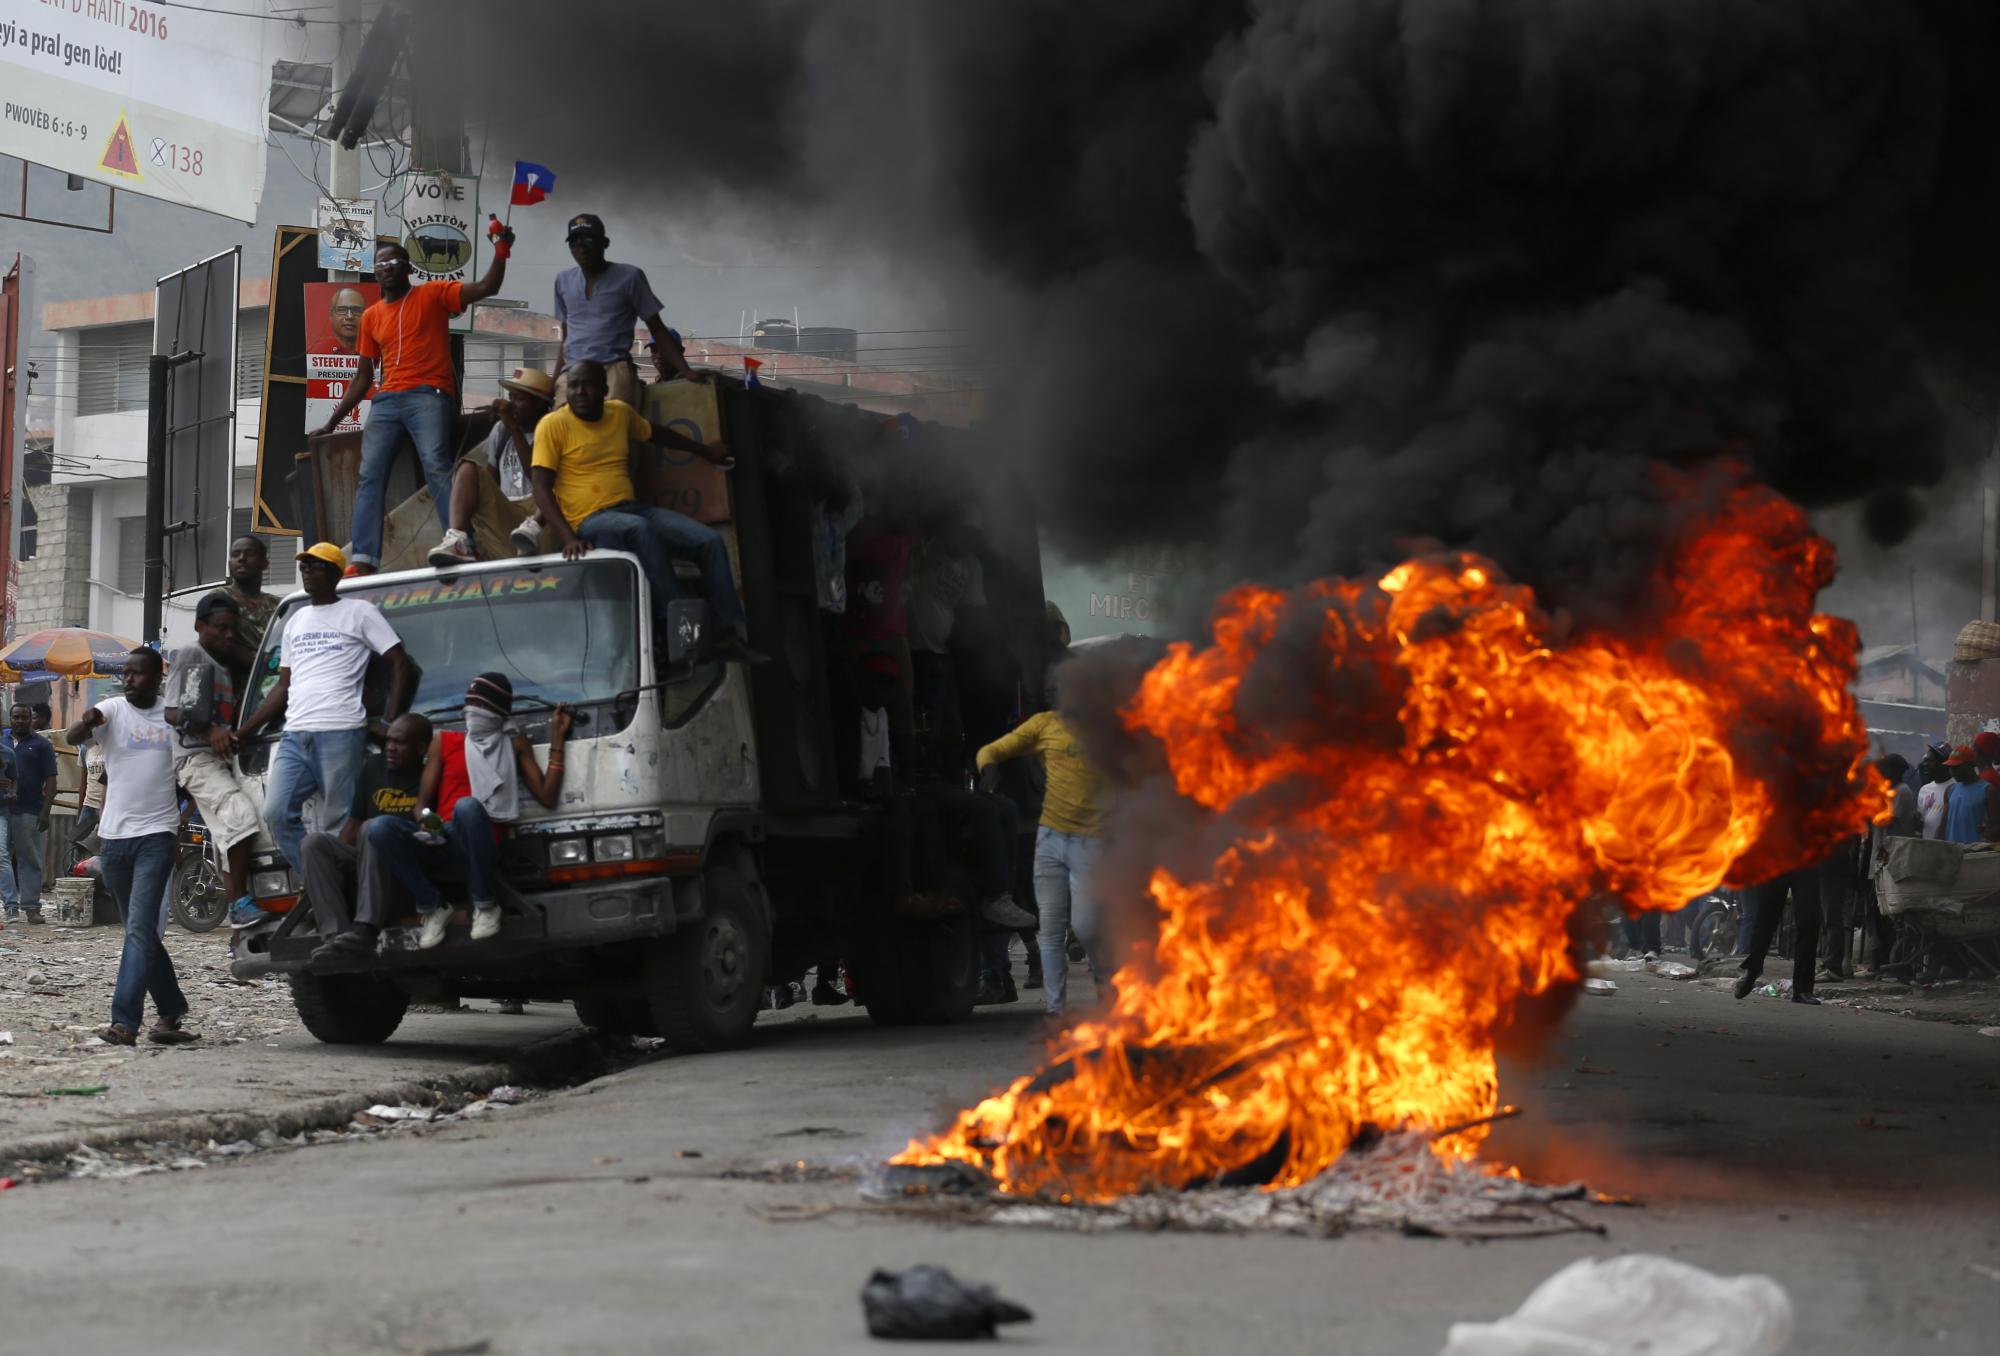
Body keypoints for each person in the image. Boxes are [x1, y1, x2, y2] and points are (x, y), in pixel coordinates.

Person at [529, 358, 764, 663]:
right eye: (573, 386)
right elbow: (540, 489)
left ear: (604, 390)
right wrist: (568, 536)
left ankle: (726, 634)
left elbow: (658, 434)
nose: (579, 392)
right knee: (640, 530)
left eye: (587, 385)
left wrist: (706, 451)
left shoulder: (620, 413)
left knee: (709, 541)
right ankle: (679, 629)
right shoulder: (553, 425)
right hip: (590, 521)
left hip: (632, 510)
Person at [310, 232, 515, 576]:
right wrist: (332, 423)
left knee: (435, 463)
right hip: (387, 400)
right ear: (374, 274)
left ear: (408, 269)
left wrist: (501, 251)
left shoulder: (433, 294)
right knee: (369, 475)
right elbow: (363, 378)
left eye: (394, 263)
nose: (387, 269)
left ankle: (460, 540)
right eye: (381, 265)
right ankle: (363, 559)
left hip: (429, 394)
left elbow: (486, 288)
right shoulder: (371, 317)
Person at [356, 674, 571, 952]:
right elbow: (421, 804)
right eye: (469, 705)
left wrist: (557, 739)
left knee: (467, 806)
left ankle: (485, 905)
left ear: (498, 714)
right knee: (378, 828)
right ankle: (433, 907)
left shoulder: (514, 743)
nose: (472, 713)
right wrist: (427, 822)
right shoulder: (444, 741)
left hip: (480, 840)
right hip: (443, 837)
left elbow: (548, 797)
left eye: (480, 707)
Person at [241, 542, 414, 873]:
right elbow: (282, 686)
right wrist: (245, 730)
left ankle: (340, 893)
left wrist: (392, 721)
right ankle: (323, 885)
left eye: (315, 566)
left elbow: (400, 662)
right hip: (295, 734)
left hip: (341, 730)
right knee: (276, 813)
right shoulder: (296, 620)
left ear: (335, 573)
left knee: (339, 821)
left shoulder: (359, 612)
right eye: (304, 566)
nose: (307, 571)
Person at [68, 648, 197, 1046]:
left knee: (139, 930)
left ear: (157, 677)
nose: (128, 679)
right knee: (138, 930)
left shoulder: (171, 719)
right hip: (115, 841)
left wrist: (180, 827)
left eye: (136, 674)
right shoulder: (111, 709)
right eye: (124, 673)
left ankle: (124, 1022)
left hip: (156, 836)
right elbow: (74, 737)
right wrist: (85, 721)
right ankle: (172, 1007)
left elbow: (188, 779)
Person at [975, 660, 1110, 1018]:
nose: (1050, 689)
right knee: (1050, 926)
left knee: (1086, 923)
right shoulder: (1042, 726)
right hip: (1050, 841)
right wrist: (988, 766)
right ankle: (1055, 1011)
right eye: (1048, 683)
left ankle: (1108, 995)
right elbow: (992, 750)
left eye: (1059, 683)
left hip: (1089, 840)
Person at [162, 593, 267, 929]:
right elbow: (172, 711)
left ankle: (240, 925)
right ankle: (238, 903)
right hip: (195, 758)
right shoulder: (193, 655)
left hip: (218, 759)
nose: (228, 635)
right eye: (220, 628)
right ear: (200, 626)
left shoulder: (223, 666)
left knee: (229, 835)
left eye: (232, 630)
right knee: (242, 816)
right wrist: (212, 733)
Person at [301, 712, 432, 963]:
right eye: (389, 741)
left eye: (400, 743)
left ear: (421, 748)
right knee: (314, 844)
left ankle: (365, 930)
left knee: (374, 828)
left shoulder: (428, 774)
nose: (391, 748)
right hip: (367, 860)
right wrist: (323, 868)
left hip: (405, 867)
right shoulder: (374, 767)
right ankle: (336, 937)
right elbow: (353, 824)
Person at [551, 213, 695, 407]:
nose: (581, 248)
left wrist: (685, 371)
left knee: (613, 430)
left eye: (588, 240)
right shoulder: (563, 281)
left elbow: (657, 328)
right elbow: (566, 339)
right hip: (572, 372)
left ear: (605, 243)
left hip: (613, 371)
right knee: (562, 431)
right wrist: (552, 382)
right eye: (574, 243)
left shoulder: (630, 277)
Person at [428, 365, 556, 566]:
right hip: (507, 512)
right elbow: (489, 479)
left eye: (519, 399)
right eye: (511, 397)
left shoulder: (551, 429)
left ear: (540, 403)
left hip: (539, 515)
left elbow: (538, 480)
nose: (511, 405)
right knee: (467, 468)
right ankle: (458, 540)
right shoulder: (500, 430)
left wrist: (514, 428)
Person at [0, 702, 58, 923]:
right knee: (2, 858)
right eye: (16, 717)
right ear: (10, 718)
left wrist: (46, 811)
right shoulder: (1, 742)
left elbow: (51, 779)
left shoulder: (42, 745)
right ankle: (10, 905)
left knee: (30, 859)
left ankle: (32, 907)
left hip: (30, 809)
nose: (20, 721)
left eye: (25, 717)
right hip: (3, 810)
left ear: (31, 719)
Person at [222, 535, 283, 688]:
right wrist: (264, 666)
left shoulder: (279, 605)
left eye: (250, 554)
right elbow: (221, 644)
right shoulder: (219, 598)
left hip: (275, 689)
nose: (241, 558)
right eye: (235, 555)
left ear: (265, 562)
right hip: (235, 694)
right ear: (229, 562)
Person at [1941, 745, 1991, 845]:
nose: (1952, 772)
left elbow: (1996, 825)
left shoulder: (1988, 791)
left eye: (1957, 767)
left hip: (1974, 856)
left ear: (1970, 765)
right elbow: (1943, 825)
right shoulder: (1950, 790)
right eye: (1950, 767)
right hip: (1952, 854)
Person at [1917, 751, 1952, 839]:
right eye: (1925, 761)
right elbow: (1922, 823)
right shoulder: (1924, 790)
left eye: (1931, 761)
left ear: (1944, 763)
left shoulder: (1956, 787)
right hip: (1928, 847)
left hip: (1950, 848)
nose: (1925, 764)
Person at [327, 286, 366, 355]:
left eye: (356, 310)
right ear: (331, 315)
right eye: (342, 310)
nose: (349, 316)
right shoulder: (320, 351)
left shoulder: (374, 350)